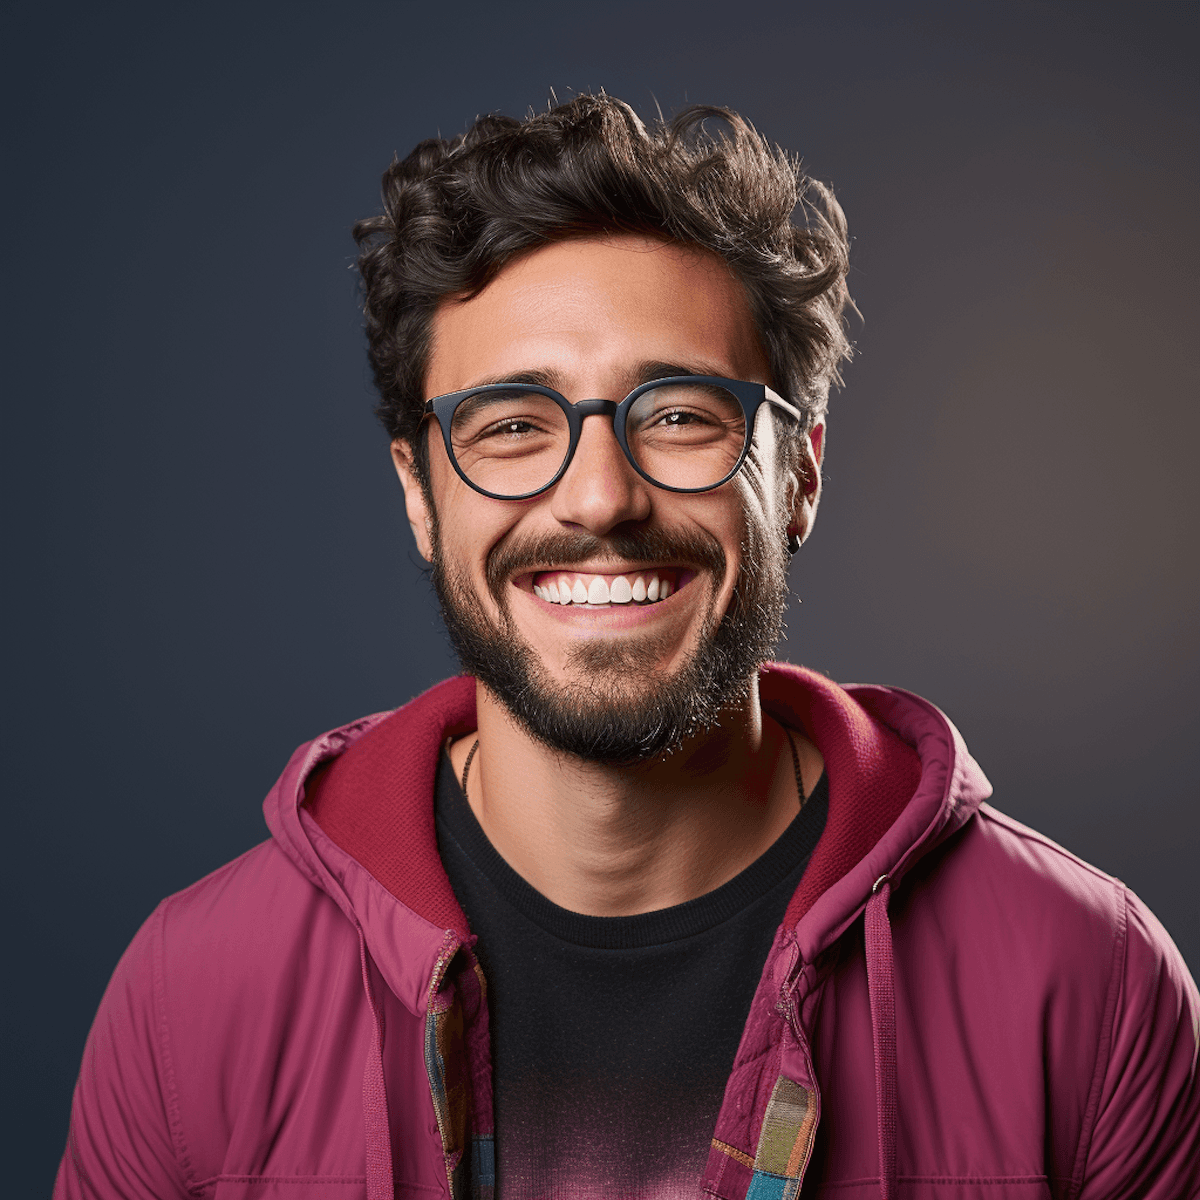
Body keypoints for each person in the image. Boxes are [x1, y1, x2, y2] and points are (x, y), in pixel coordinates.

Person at [55, 95, 1198, 1200]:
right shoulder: (190, 997)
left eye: (680, 415)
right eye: (512, 427)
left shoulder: (1085, 981)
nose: (600, 498)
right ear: (417, 491)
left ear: (796, 474)